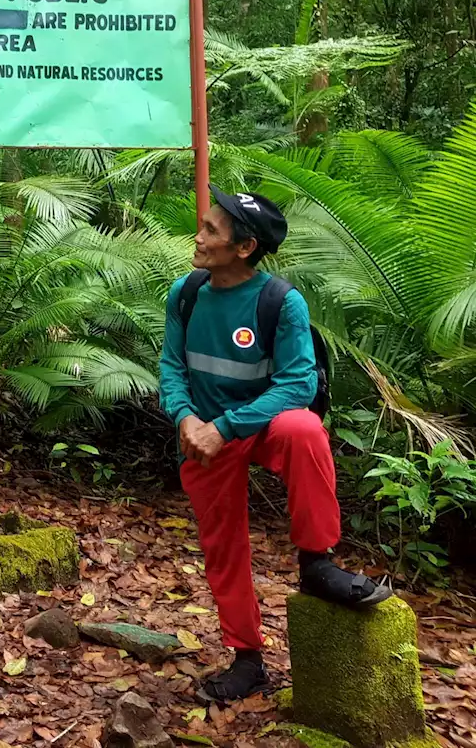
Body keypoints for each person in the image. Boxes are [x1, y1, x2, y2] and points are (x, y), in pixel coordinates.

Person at [159, 185, 390, 706]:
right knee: (223, 546)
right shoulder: (186, 292)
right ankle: (247, 659)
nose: (198, 237)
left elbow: (297, 385)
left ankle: (318, 562)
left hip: (252, 428)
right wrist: (188, 419)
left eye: (211, 231)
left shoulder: (279, 302)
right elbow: (172, 368)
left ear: (244, 248)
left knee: (304, 429)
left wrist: (226, 426)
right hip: (202, 435)